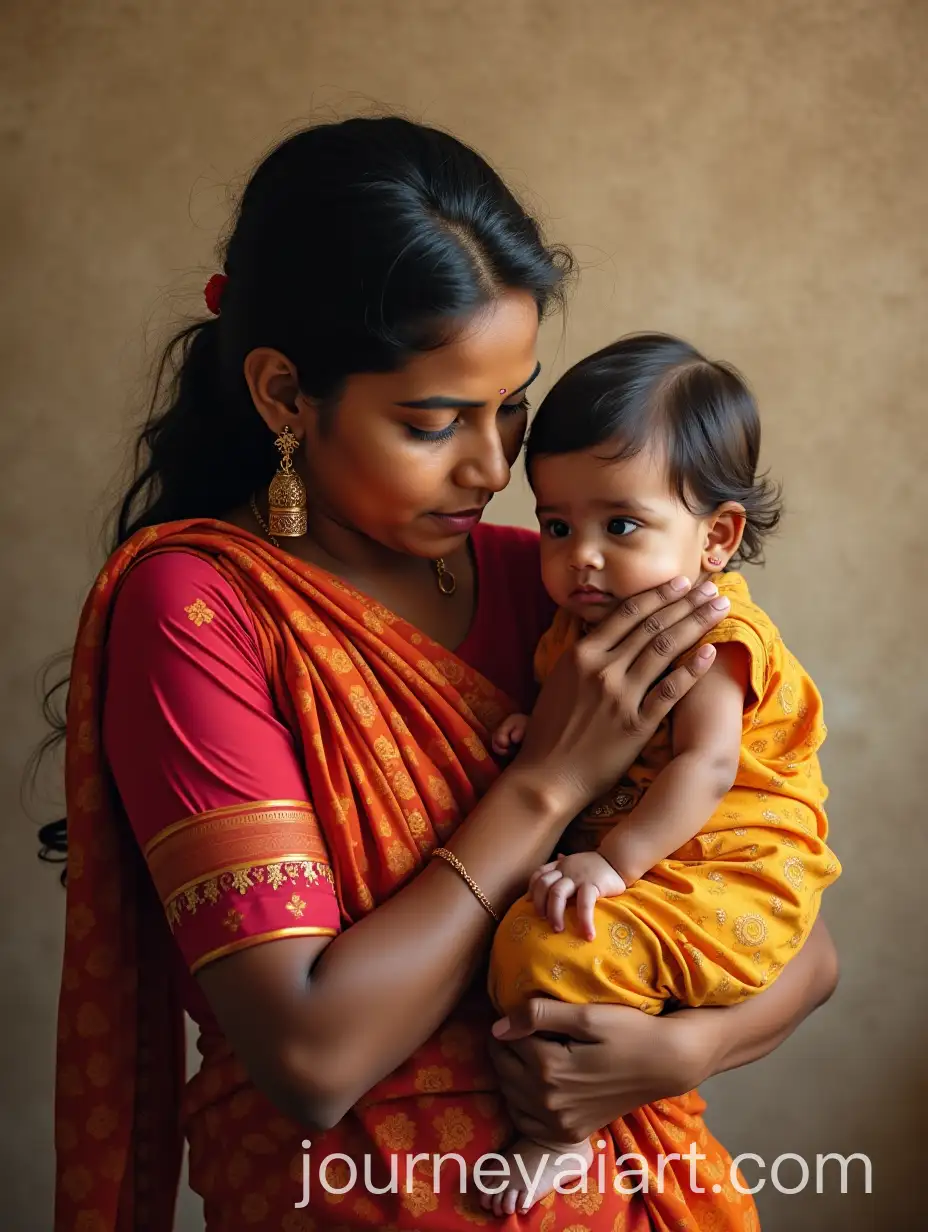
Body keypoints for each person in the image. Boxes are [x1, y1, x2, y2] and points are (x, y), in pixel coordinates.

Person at [52, 117, 839, 1232]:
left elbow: (791, 919)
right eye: (434, 420)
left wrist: (677, 1048)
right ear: (284, 394)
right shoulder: (199, 611)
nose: (493, 464)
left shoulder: (565, 586)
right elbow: (313, 1056)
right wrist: (548, 785)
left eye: (511, 405)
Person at [485, 334, 841, 1213]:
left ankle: (557, 1135)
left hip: (733, 865)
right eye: (557, 525)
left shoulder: (710, 637)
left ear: (717, 536)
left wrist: (613, 862)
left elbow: (707, 765)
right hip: (661, 856)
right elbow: (598, 722)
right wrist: (541, 723)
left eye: (622, 525)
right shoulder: (584, 620)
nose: (582, 556)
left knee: (547, 945)